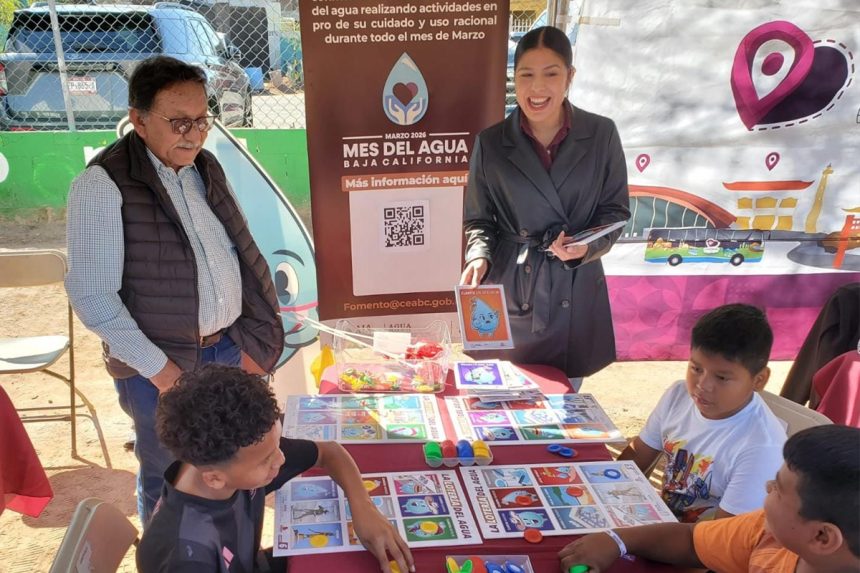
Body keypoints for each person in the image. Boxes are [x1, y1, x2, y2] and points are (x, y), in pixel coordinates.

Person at [65, 55, 284, 526]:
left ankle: (235, 552)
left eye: (202, 120)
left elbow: (238, 256)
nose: (194, 133)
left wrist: (246, 339)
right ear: (139, 120)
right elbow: (92, 297)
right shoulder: (102, 184)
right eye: (179, 121)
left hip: (224, 350)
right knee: (170, 475)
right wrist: (166, 375)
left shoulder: (203, 168)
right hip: (157, 367)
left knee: (237, 466)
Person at [460, 26, 629, 388]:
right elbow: (478, 219)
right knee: (500, 404)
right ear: (514, 78)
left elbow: (616, 214)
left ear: (569, 77)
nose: (537, 88)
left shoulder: (601, 135)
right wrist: (478, 256)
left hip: (574, 281)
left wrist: (586, 246)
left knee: (564, 402)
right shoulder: (490, 143)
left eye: (551, 74)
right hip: (508, 284)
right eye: (526, 75)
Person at [138, 365, 414, 573]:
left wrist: (363, 507)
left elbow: (328, 452)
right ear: (214, 479)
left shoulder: (232, 456)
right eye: (266, 459)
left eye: (277, 445)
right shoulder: (187, 557)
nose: (281, 460)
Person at [559, 424, 860, 573]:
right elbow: (693, 541)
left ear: (822, 537)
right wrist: (617, 540)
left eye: (778, 489)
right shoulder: (769, 531)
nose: (767, 487)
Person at [617, 304, 786, 522]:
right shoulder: (678, 395)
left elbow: (722, 540)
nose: (702, 385)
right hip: (662, 524)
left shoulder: (762, 447)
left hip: (701, 547)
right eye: (696, 369)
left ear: (759, 380)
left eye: (722, 378)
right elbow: (636, 457)